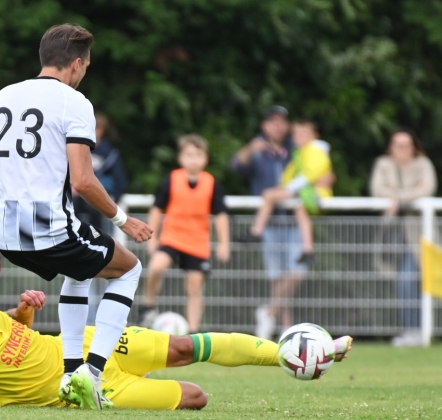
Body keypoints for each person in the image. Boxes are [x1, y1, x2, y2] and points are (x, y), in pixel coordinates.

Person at [0, 24, 153, 410]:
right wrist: (125, 221)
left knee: (81, 269)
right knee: (129, 268)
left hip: (5, 234)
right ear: (75, 63)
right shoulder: (74, 102)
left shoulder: (0, 98)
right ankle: (94, 373)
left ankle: (71, 374)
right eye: (85, 66)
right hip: (49, 230)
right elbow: (83, 183)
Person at [0, 254, 353, 409]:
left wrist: (24, 312)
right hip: (90, 388)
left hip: (91, 343)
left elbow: (13, 332)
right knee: (195, 396)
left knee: (185, 346)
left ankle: (296, 351)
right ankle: (302, 351)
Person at [140, 134, 230, 332]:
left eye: (198, 155)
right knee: (156, 266)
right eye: (189, 155)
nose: (193, 159)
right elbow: (156, 209)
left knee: (194, 287)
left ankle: (193, 332)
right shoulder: (172, 180)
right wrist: (152, 238)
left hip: (197, 242)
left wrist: (224, 243)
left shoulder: (211, 183)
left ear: (205, 158)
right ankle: (147, 306)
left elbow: (221, 215)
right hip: (172, 237)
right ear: (181, 158)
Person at [230, 106, 301, 340]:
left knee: (297, 272)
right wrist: (251, 148)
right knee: (278, 276)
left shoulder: (295, 150)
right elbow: (235, 166)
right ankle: (287, 328)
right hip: (270, 223)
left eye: (281, 122)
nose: (277, 126)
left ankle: (269, 312)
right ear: (264, 126)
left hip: (294, 219)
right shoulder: (258, 152)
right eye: (272, 121)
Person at [370, 128, 437, 347]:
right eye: (398, 145)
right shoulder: (383, 164)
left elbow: (427, 189)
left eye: (406, 145)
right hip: (392, 234)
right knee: (402, 282)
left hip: (418, 236)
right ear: (391, 147)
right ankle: (413, 329)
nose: (402, 150)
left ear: (414, 147)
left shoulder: (423, 164)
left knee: (408, 280)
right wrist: (410, 193)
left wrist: (396, 198)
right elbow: (377, 189)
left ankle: (416, 330)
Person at [248, 119, 334, 266]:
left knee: (270, 195)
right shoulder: (301, 153)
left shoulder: (315, 152)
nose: (297, 138)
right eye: (296, 134)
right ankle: (308, 249)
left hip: (314, 194)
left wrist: (287, 189)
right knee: (299, 210)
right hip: (305, 193)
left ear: (313, 136)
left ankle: (256, 232)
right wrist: (285, 186)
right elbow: (290, 174)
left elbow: (309, 174)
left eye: (302, 134)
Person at [73, 112, 128, 234]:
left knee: (94, 207)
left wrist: (113, 201)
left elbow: (120, 182)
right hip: (78, 195)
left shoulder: (110, 154)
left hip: (98, 196)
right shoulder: (76, 149)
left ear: (101, 130)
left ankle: (96, 237)